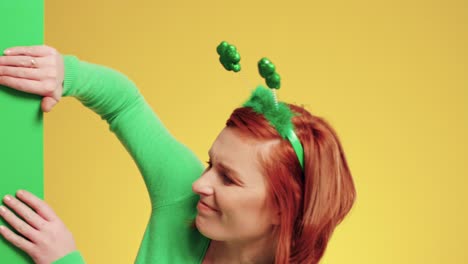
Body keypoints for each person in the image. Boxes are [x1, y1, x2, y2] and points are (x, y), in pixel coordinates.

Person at [0, 45, 356, 264]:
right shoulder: (187, 196)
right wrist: (64, 72)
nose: (200, 183)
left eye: (229, 178)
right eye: (210, 163)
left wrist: (63, 259)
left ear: (283, 206)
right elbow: (125, 105)